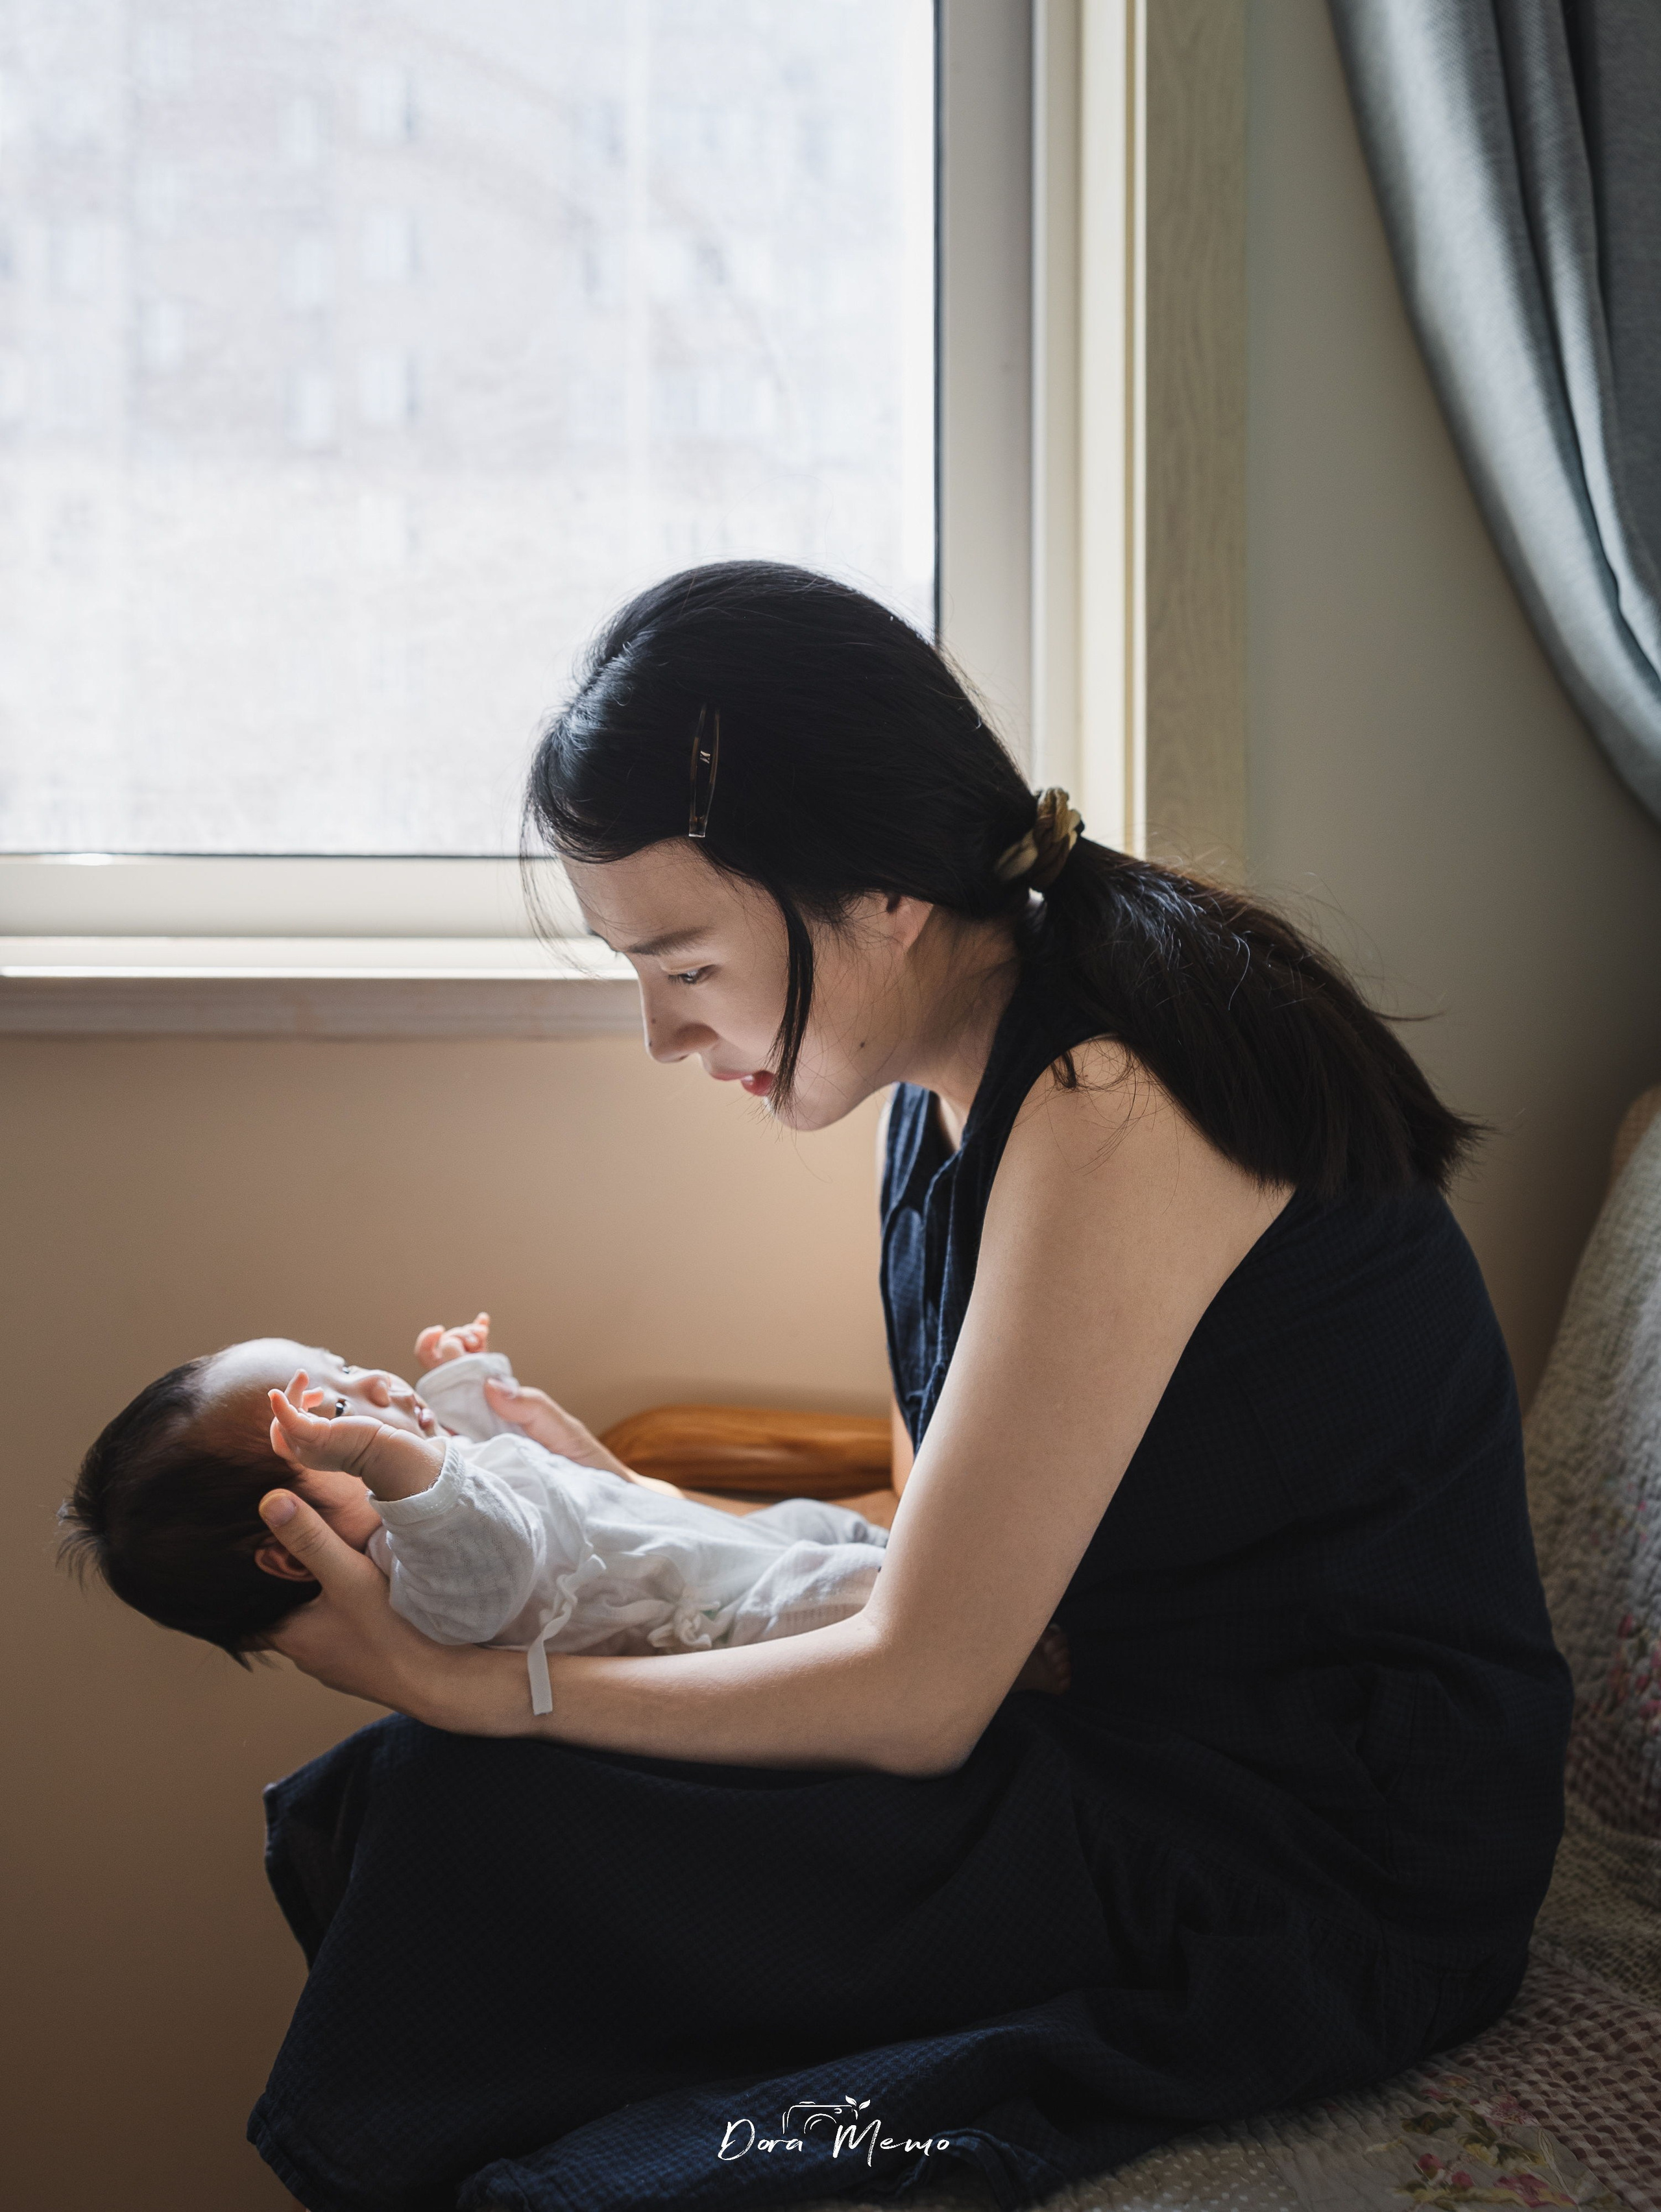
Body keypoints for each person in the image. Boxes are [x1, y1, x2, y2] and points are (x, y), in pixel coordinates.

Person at [244, 561, 1573, 2212]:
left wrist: (484, 1681)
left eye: (684, 964)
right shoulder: (935, 1104)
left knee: (470, 1794)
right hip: (1094, 1732)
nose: (662, 1035)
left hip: (1299, 1849)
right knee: (441, 1808)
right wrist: (615, 1499)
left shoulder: (1105, 1103)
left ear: (876, 893)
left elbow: (926, 1682)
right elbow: (928, 1557)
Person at [62, 1316, 1000, 1716]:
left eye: (343, 1363)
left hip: (727, 1548)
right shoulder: (421, 1585)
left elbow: (479, 1460)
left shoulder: (424, 1496)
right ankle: (1004, 1646)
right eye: (339, 1414)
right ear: (285, 1549)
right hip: (729, 1626)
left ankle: (972, 1594)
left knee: (827, 1529)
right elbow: (489, 1551)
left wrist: (466, 1380)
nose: (374, 1386)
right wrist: (394, 1454)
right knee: (857, 1589)